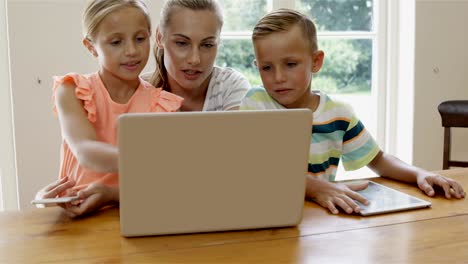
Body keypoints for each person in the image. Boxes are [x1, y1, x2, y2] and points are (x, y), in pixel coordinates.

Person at [240, 9, 466, 215]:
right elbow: (257, 170)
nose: (278, 77)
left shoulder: (338, 114)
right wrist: (315, 187)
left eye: (290, 64)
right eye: (266, 67)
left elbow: (379, 160)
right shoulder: (255, 104)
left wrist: (420, 174)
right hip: (268, 215)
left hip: (323, 214)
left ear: (316, 61)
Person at [34, 0, 183, 217]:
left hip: (137, 215)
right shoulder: (72, 90)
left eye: (140, 39)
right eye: (116, 42)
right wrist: (153, 160)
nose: (132, 51)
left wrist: (112, 194)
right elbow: (85, 150)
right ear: (91, 46)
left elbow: (163, 186)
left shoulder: (164, 105)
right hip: (76, 219)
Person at [143, 0, 250, 111]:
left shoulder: (231, 86)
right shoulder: (137, 91)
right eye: (182, 43)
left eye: (207, 45)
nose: (195, 60)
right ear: (160, 37)